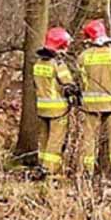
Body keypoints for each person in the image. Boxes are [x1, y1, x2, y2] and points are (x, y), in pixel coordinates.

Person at [77, 19, 111, 179]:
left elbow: (80, 80)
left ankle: (87, 170)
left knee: (89, 137)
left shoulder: (83, 57)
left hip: (90, 106)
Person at [32, 27, 78, 176]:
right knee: (56, 140)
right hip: (58, 109)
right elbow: (68, 85)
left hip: (42, 107)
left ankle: (41, 165)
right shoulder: (58, 64)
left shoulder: (38, 63)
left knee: (44, 138)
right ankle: (50, 170)